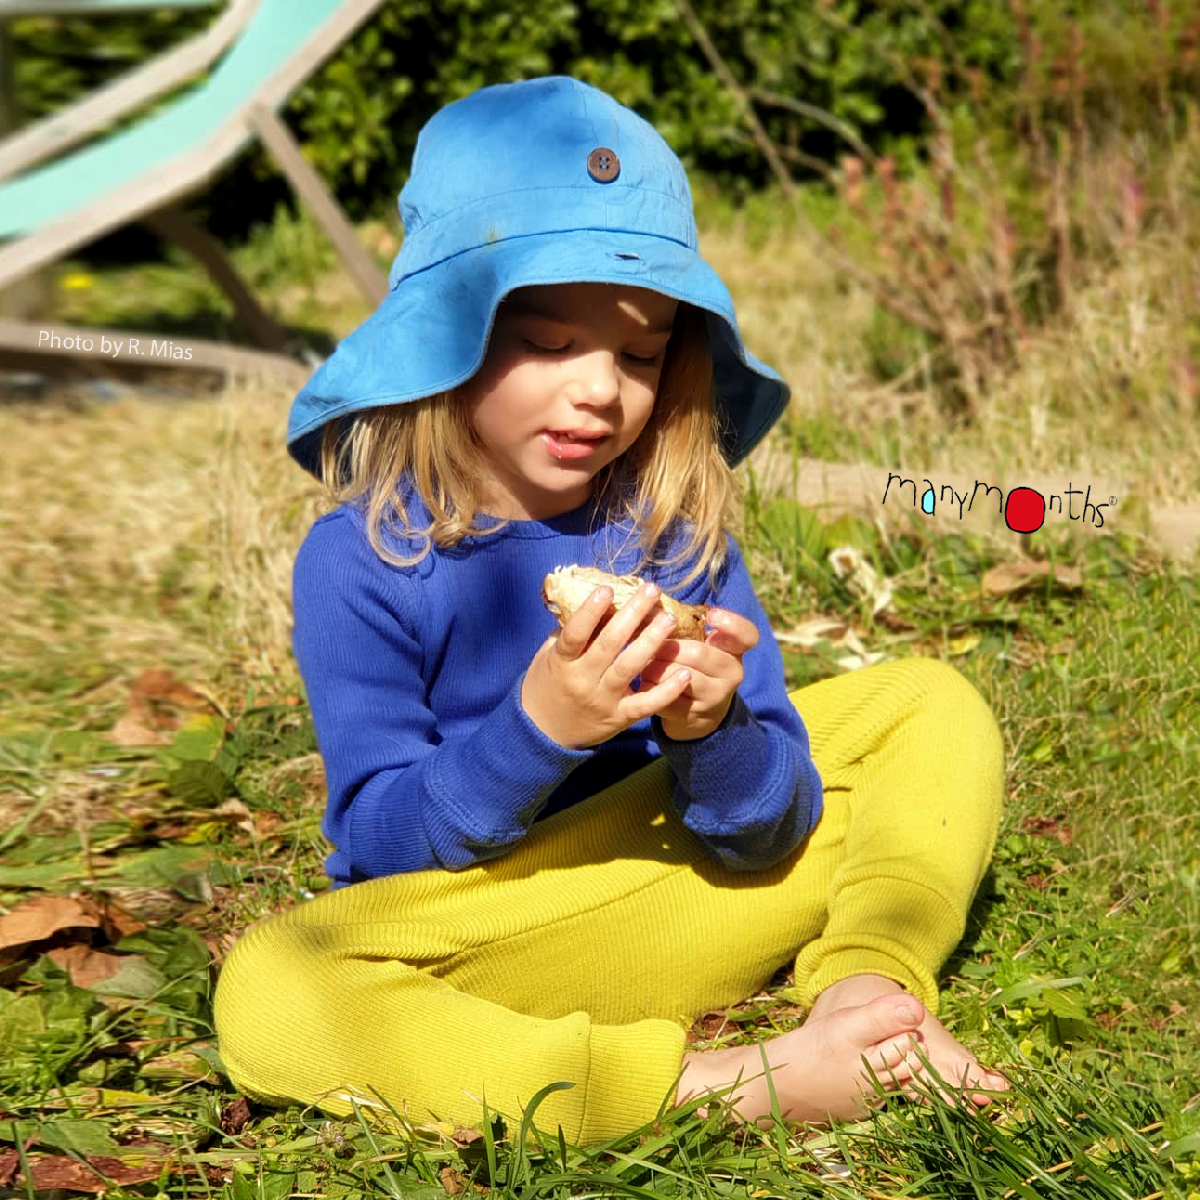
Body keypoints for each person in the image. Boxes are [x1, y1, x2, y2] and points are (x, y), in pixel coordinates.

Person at [212, 74, 1009, 1146]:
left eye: (639, 354)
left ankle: (867, 995)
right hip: (497, 933)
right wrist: (538, 729)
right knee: (273, 987)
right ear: (442, 341)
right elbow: (379, 848)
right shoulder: (360, 560)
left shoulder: (671, 528)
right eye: (547, 343)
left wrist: (712, 729)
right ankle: (730, 1084)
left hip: (687, 878)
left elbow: (770, 822)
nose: (601, 390)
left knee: (926, 703)